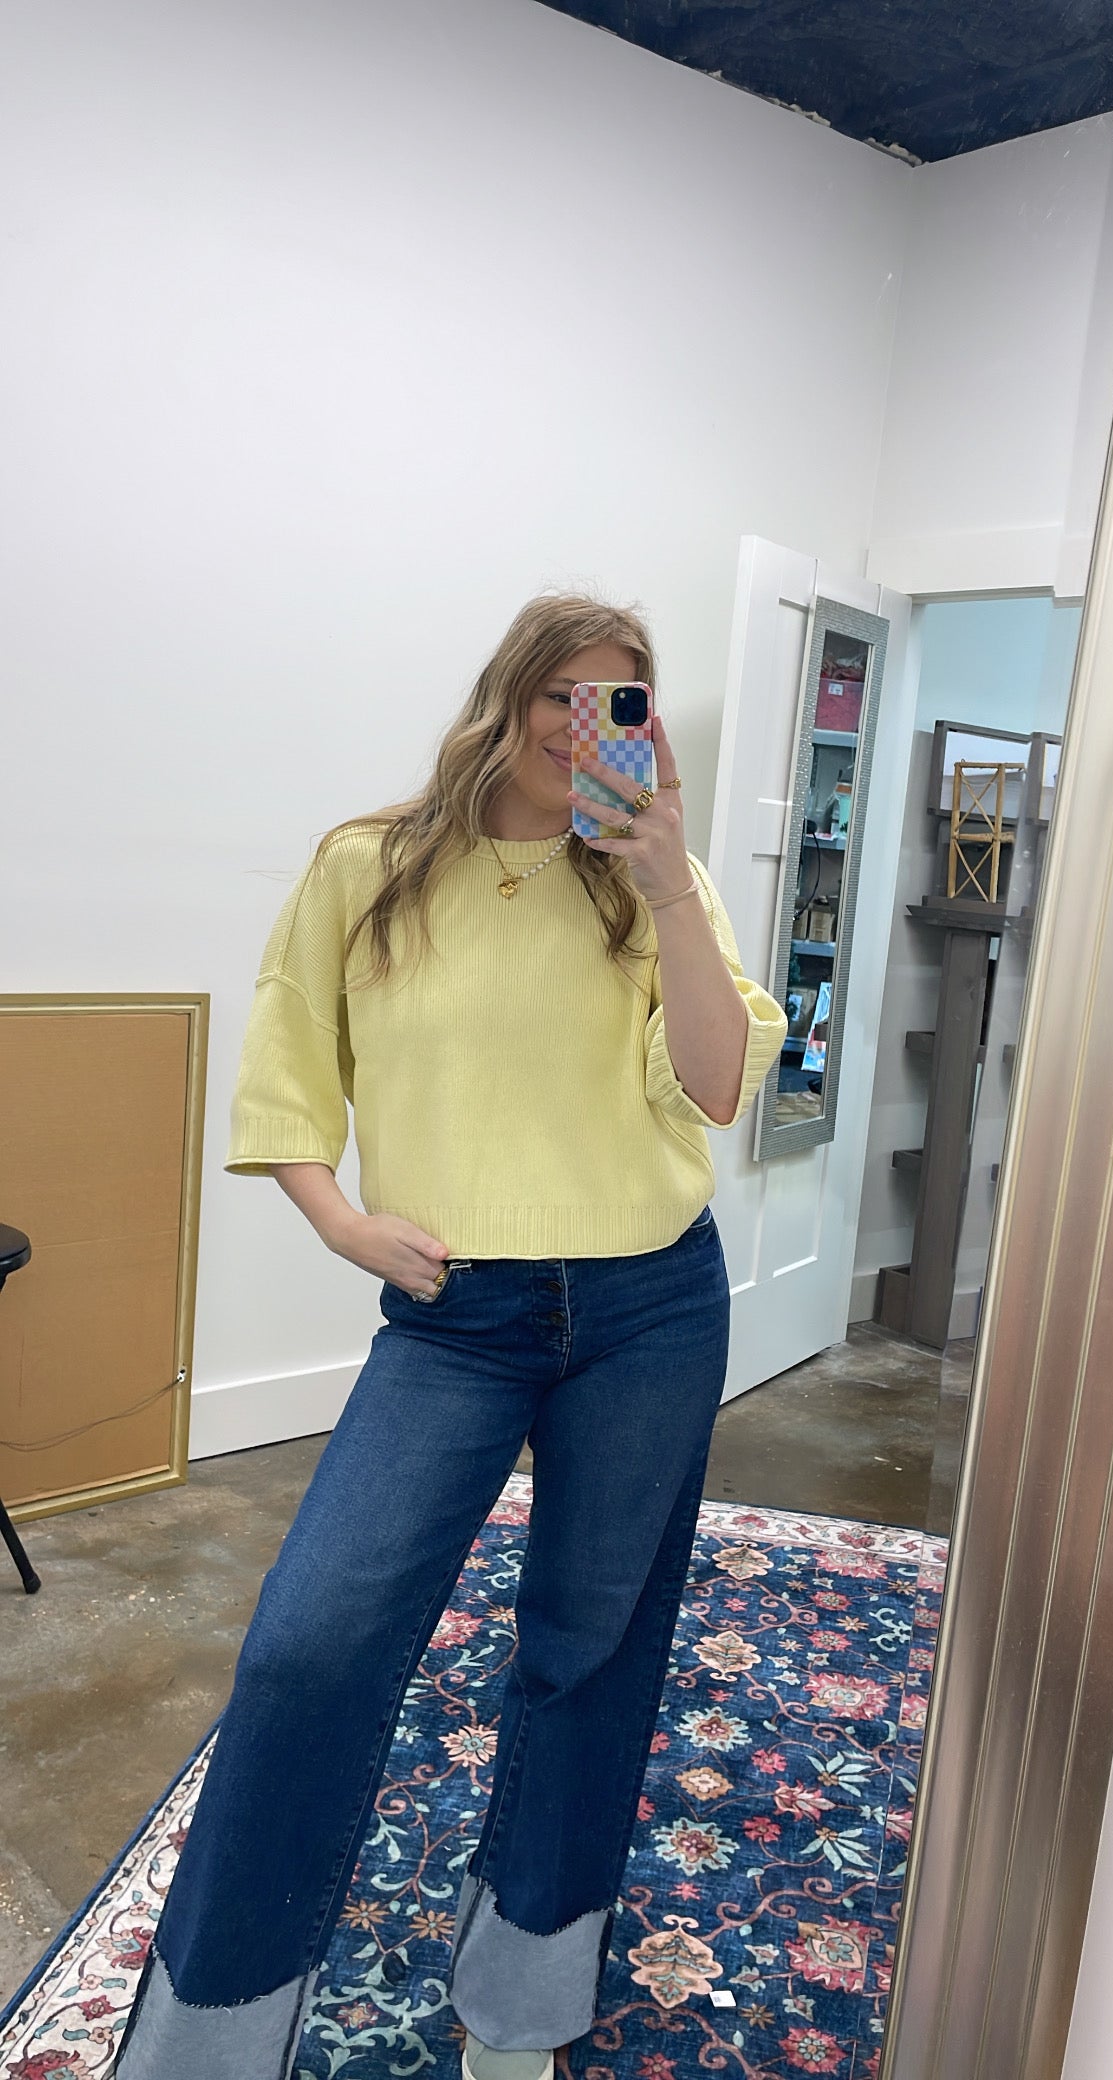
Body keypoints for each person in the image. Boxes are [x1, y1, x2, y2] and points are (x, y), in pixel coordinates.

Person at [113, 594, 787, 2080]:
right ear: (504, 698)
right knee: (310, 1646)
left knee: (588, 1651)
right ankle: (209, 2037)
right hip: (454, 1316)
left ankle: (523, 2009)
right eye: (560, 694)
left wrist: (671, 889)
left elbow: (717, 1085)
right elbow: (290, 1061)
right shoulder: (368, 866)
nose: (582, 729)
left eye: (619, 704)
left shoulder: (653, 881)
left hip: (650, 1304)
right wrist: (343, 1224)